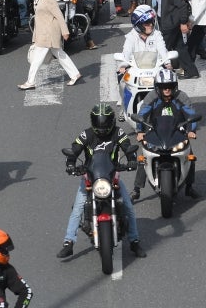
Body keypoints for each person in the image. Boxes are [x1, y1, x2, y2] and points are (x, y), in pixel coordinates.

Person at [57, 103, 147, 259]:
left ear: (111, 121)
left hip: (112, 176)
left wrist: (132, 160)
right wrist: (71, 165)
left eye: (105, 122)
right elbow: (74, 150)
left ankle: (134, 241)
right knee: (77, 209)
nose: (102, 125)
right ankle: (68, 242)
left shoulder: (118, 132)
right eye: (99, 122)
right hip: (90, 177)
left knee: (129, 207)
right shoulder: (86, 135)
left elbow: (128, 147)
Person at [131, 69, 199, 200]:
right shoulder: (152, 97)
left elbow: (191, 115)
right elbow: (142, 114)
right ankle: (136, 189)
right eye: (163, 87)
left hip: (178, 132)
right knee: (143, 158)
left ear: (175, 86)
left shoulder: (181, 97)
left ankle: (189, 187)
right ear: (158, 87)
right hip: (155, 132)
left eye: (170, 86)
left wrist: (191, 131)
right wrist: (139, 131)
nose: (167, 90)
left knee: (190, 156)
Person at [18, 0, 82, 90]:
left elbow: (58, 14)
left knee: (37, 58)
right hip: (43, 31)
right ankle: (75, 74)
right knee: (60, 54)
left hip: (48, 32)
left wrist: (64, 30)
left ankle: (30, 81)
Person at [117, 6, 170, 120]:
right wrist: (123, 65)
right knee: (122, 82)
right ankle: (124, 106)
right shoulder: (131, 37)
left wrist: (168, 62)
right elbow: (126, 52)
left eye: (151, 22)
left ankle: (171, 107)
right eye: (146, 23)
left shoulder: (157, 35)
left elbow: (163, 50)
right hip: (136, 71)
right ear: (138, 25)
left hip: (154, 70)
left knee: (170, 82)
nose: (150, 25)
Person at [149, 0, 199, 79]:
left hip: (170, 25)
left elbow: (182, 7)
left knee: (161, 48)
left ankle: (154, 73)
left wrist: (183, 23)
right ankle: (192, 72)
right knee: (180, 48)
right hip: (166, 22)